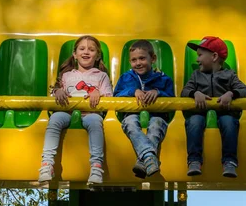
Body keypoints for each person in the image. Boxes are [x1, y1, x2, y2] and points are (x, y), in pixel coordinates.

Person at [38, 35, 113, 185]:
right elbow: (56, 93)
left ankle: (96, 167)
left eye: (91, 50)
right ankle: (47, 164)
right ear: (75, 54)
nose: (86, 52)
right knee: (55, 119)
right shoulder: (66, 75)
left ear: (97, 56)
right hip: (67, 112)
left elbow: (109, 97)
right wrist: (58, 91)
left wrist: (98, 93)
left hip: (90, 113)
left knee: (95, 122)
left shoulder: (101, 76)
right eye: (82, 49)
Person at [181, 36, 246, 178]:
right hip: (200, 112)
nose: (197, 60)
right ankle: (194, 160)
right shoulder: (196, 75)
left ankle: (229, 162)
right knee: (194, 122)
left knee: (229, 122)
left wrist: (231, 93)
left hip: (224, 112)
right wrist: (195, 93)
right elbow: (184, 92)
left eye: (200, 55)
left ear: (214, 56)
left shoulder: (229, 75)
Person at [113, 40, 175, 179]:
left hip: (157, 115)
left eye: (142, 58)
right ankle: (149, 156)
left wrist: (158, 92)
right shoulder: (126, 78)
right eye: (134, 60)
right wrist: (133, 91)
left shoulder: (164, 79)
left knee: (156, 126)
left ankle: (143, 161)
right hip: (132, 114)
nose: (138, 63)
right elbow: (116, 95)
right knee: (130, 124)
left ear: (152, 58)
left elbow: (172, 98)